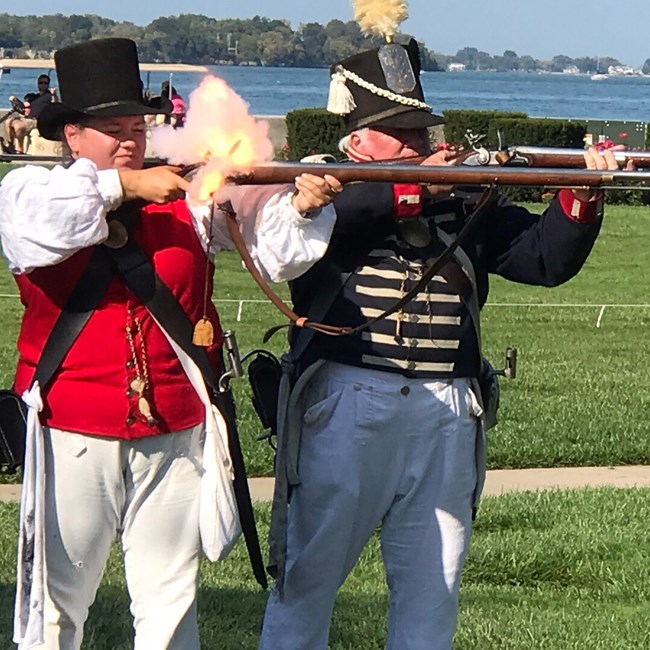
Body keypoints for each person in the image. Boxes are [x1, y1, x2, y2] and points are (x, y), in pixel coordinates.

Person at [258, 38, 619, 650]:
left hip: (449, 407)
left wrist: (580, 196)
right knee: (306, 582)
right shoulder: (323, 185)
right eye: (398, 133)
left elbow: (540, 259)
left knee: (433, 591)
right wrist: (415, 188)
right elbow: (305, 236)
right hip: (348, 400)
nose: (417, 145)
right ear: (357, 141)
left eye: (420, 131)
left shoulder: (461, 190)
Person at [0, 38, 340, 650]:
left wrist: (300, 205)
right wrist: (125, 186)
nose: (131, 140)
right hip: (73, 429)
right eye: (112, 128)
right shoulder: (33, 192)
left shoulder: (189, 201)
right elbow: (37, 231)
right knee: (54, 608)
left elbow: (274, 249)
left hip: (176, 427)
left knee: (170, 606)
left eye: (138, 126)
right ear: (73, 136)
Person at [3, 74, 56, 153]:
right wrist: (15, 100)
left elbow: (54, 103)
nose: (43, 85)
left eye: (45, 83)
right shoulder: (33, 97)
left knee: (18, 126)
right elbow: (23, 105)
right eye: (41, 83)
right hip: (28, 118)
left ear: (48, 84)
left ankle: (19, 149)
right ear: (38, 84)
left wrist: (53, 94)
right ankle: (10, 146)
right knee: (8, 122)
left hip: (38, 120)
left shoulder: (49, 96)